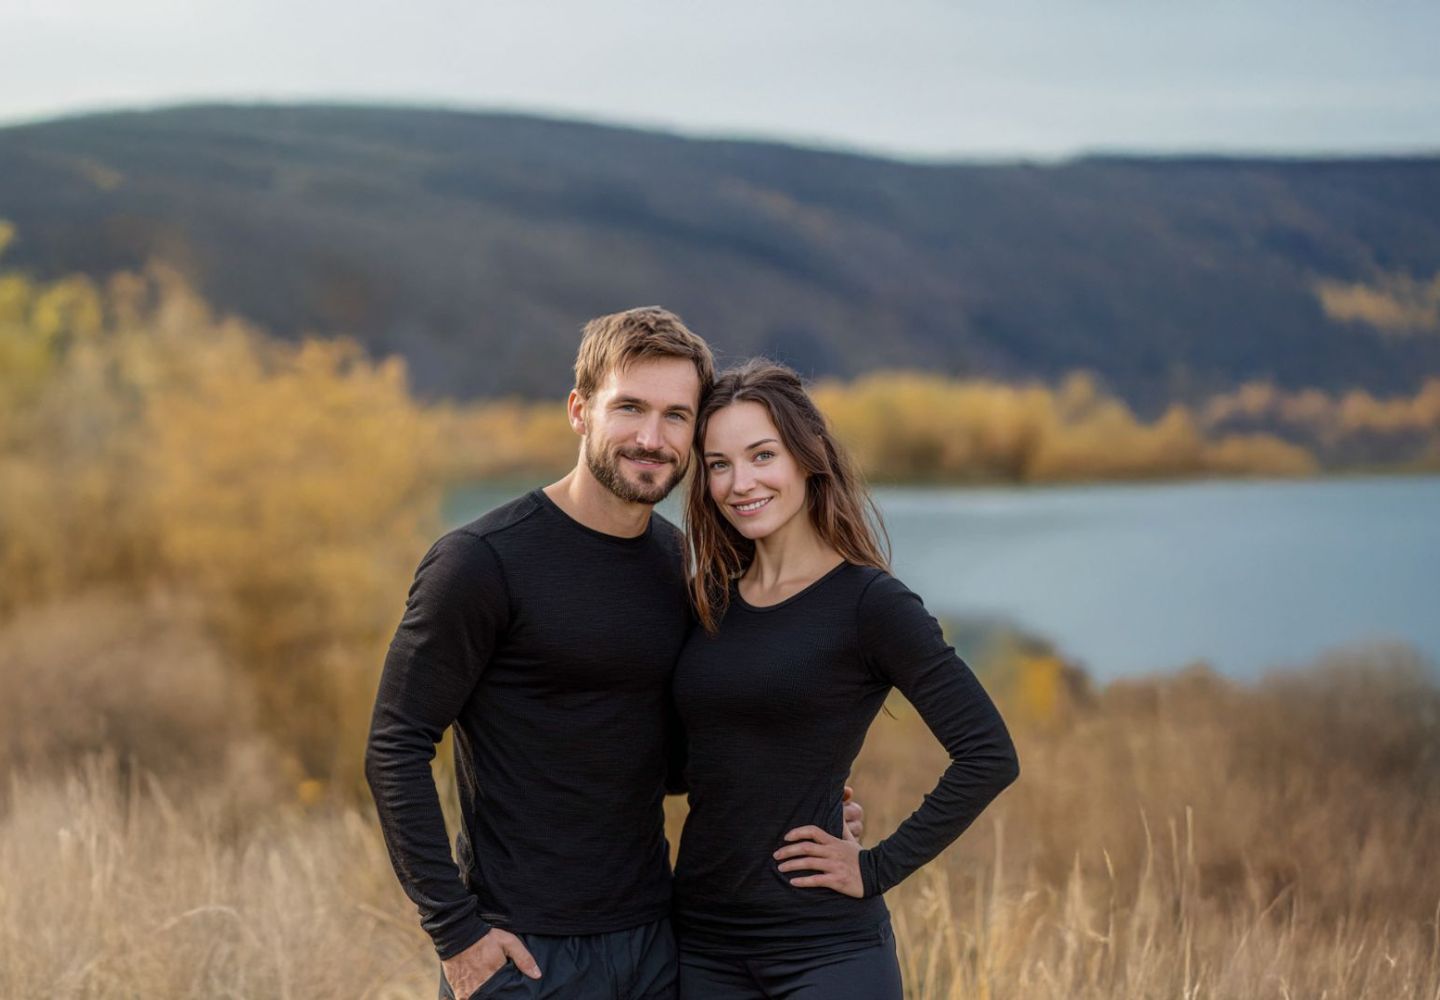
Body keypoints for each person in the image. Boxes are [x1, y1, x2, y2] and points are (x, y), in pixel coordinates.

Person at [364, 309, 861, 1000]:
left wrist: (799, 797)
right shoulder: (481, 562)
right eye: (629, 408)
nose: (651, 439)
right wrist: (457, 934)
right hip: (524, 956)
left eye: (675, 416)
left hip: (658, 945)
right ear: (580, 410)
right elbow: (395, 745)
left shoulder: (680, 566)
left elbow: (675, 761)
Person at [673, 359, 1020, 999]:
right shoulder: (706, 599)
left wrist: (876, 867)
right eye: (719, 464)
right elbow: (694, 761)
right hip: (702, 948)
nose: (740, 483)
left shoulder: (870, 604)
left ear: (808, 458)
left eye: (762, 455)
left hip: (827, 954)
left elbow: (989, 754)